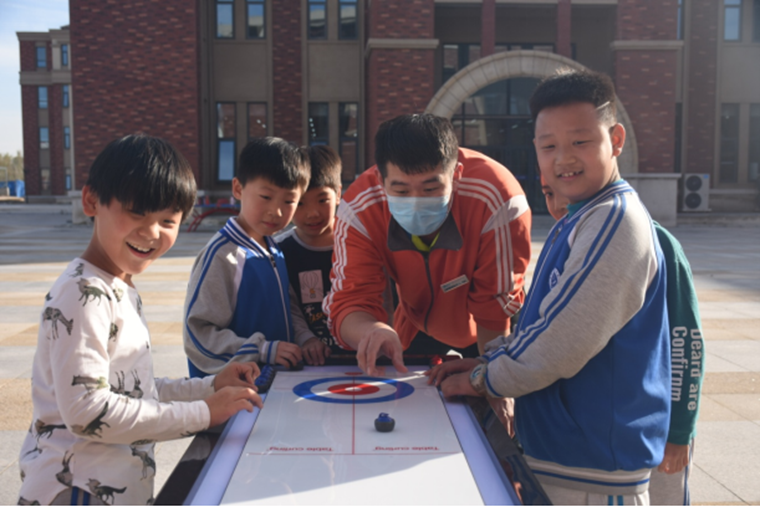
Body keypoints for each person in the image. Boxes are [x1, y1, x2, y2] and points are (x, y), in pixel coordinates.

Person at [427, 69, 672, 505]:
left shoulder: (614, 219)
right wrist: (489, 359)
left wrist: (484, 378)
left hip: (593, 472)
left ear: (616, 140)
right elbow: (542, 325)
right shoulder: (581, 217)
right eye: (549, 146)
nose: (563, 159)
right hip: (570, 459)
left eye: (580, 141)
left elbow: (562, 341)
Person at [18, 134, 263, 506]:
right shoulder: (83, 293)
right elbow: (87, 410)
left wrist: (210, 386)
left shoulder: (118, 286)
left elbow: (133, 389)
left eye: (167, 220)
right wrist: (203, 413)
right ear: (91, 201)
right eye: (136, 213)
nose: (151, 233)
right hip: (79, 489)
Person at [324, 113, 532, 376]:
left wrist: (490, 380)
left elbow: (494, 310)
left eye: (430, 189)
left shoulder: (498, 199)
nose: (415, 203)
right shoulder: (359, 208)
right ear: (380, 180)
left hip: (489, 327)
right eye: (401, 191)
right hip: (415, 322)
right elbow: (349, 301)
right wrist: (371, 330)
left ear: (456, 175)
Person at [542, 174, 704, 505]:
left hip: (649, 425)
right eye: (548, 193)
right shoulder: (563, 240)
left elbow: (684, 341)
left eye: (564, 193)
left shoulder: (654, 241)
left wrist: (679, 431)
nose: (559, 204)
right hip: (598, 433)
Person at [183, 137, 308, 377]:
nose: (276, 211)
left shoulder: (273, 247)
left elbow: (288, 306)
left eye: (289, 201)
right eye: (266, 197)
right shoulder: (223, 255)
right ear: (238, 189)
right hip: (234, 390)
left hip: (271, 385)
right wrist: (262, 349)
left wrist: (306, 338)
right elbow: (198, 334)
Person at [277, 145, 353, 365]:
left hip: (364, 357)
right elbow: (287, 306)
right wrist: (306, 338)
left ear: (338, 194)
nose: (312, 213)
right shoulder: (279, 251)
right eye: (300, 203)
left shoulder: (358, 243)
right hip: (308, 364)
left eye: (322, 200)